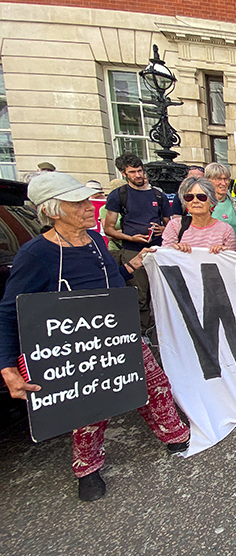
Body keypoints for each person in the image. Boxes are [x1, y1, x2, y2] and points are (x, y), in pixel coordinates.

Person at [0, 172, 190, 501]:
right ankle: (87, 467)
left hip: (119, 333)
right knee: (90, 406)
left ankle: (174, 434)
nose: (90, 207)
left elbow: (111, 281)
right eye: (78, 203)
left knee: (154, 384)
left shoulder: (96, 242)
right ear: (52, 211)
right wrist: (7, 366)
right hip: (76, 347)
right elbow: (9, 311)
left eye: (87, 200)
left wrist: (133, 265)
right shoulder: (36, 254)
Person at [103, 153, 172, 334]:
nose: (138, 175)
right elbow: (108, 228)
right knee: (139, 296)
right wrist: (130, 238)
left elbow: (170, 224)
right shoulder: (119, 195)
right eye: (133, 172)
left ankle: (161, 332)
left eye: (140, 171)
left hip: (157, 251)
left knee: (161, 294)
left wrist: (164, 229)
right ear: (123, 173)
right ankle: (142, 333)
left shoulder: (158, 195)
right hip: (132, 251)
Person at [161, 177, 236, 253]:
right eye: (189, 197)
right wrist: (176, 249)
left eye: (201, 197)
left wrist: (223, 252)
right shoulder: (175, 226)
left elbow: (231, 258)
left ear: (212, 201)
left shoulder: (226, 230)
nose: (195, 201)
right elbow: (165, 255)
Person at [203, 162, 236, 240]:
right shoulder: (200, 203)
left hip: (234, 246)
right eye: (219, 179)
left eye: (226, 179)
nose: (224, 183)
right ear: (208, 181)